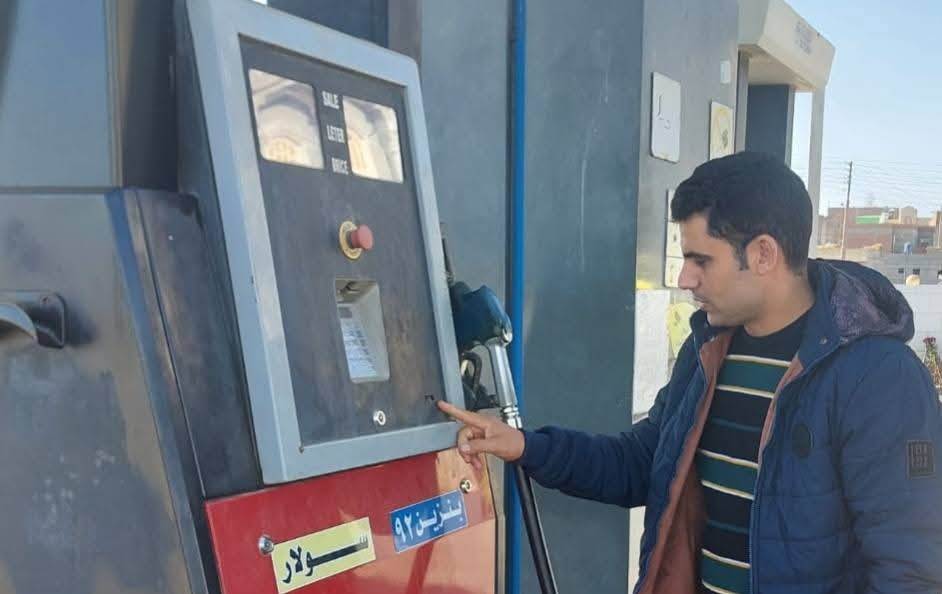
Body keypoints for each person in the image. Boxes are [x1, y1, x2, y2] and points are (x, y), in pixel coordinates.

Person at [439, 152, 942, 594]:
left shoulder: (879, 379)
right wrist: (525, 447)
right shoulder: (708, 351)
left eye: (701, 260)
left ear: (763, 254)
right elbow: (642, 463)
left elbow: (912, 571)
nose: (684, 279)